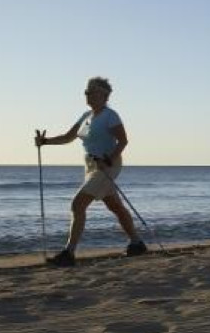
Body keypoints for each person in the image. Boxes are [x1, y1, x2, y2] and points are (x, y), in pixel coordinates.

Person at [35, 77, 147, 267]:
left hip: (107, 164)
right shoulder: (86, 116)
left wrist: (108, 159)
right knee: (115, 206)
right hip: (90, 166)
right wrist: (45, 142)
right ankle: (137, 243)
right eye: (86, 92)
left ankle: (69, 253)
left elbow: (123, 141)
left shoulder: (110, 115)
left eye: (92, 91)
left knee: (78, 205)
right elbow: (68, 137)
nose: (88, 95)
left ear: (104, 94)